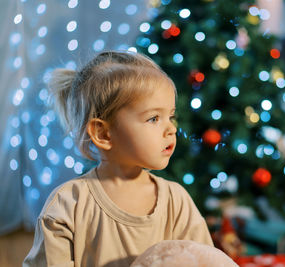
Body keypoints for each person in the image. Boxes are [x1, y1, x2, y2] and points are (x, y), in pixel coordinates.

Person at [23, 51, 213, 267]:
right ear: (103, 134)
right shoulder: (68, 204)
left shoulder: (177, 201)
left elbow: (205, 261)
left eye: (171, 116)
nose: (171, 129)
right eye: (153, 118)